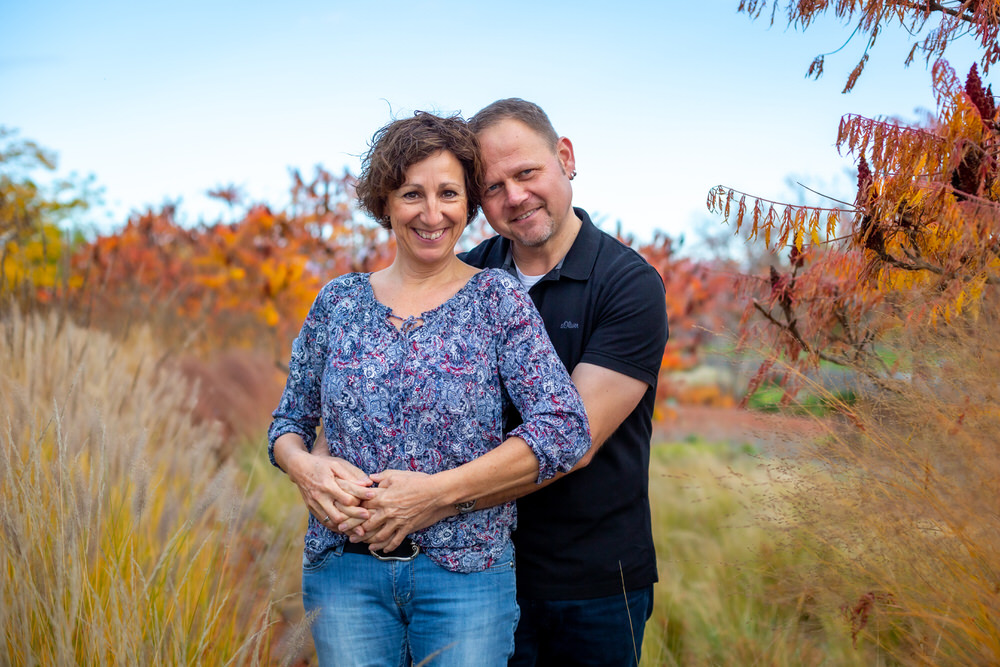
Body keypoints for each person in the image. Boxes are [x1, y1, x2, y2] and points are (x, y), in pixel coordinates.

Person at [340, 99, 669, 665]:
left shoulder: (627, 285)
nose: (514, 197)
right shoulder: (463, 278)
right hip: (469, 570)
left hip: (590, 582)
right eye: (493, 187)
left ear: (564, 158)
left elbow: (575, 441)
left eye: (527, 173)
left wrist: (430, 498)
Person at [267, 111, 591, 667]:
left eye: (448, 193)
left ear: (469, 206)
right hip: (344, 573)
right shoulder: (338, 303)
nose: (432, 212)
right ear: (385, 203)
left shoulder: (497, 301)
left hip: (465, 575)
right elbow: (287, 426)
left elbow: (563, 427)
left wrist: (436, 493)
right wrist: (304, 467)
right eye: (412, 194)